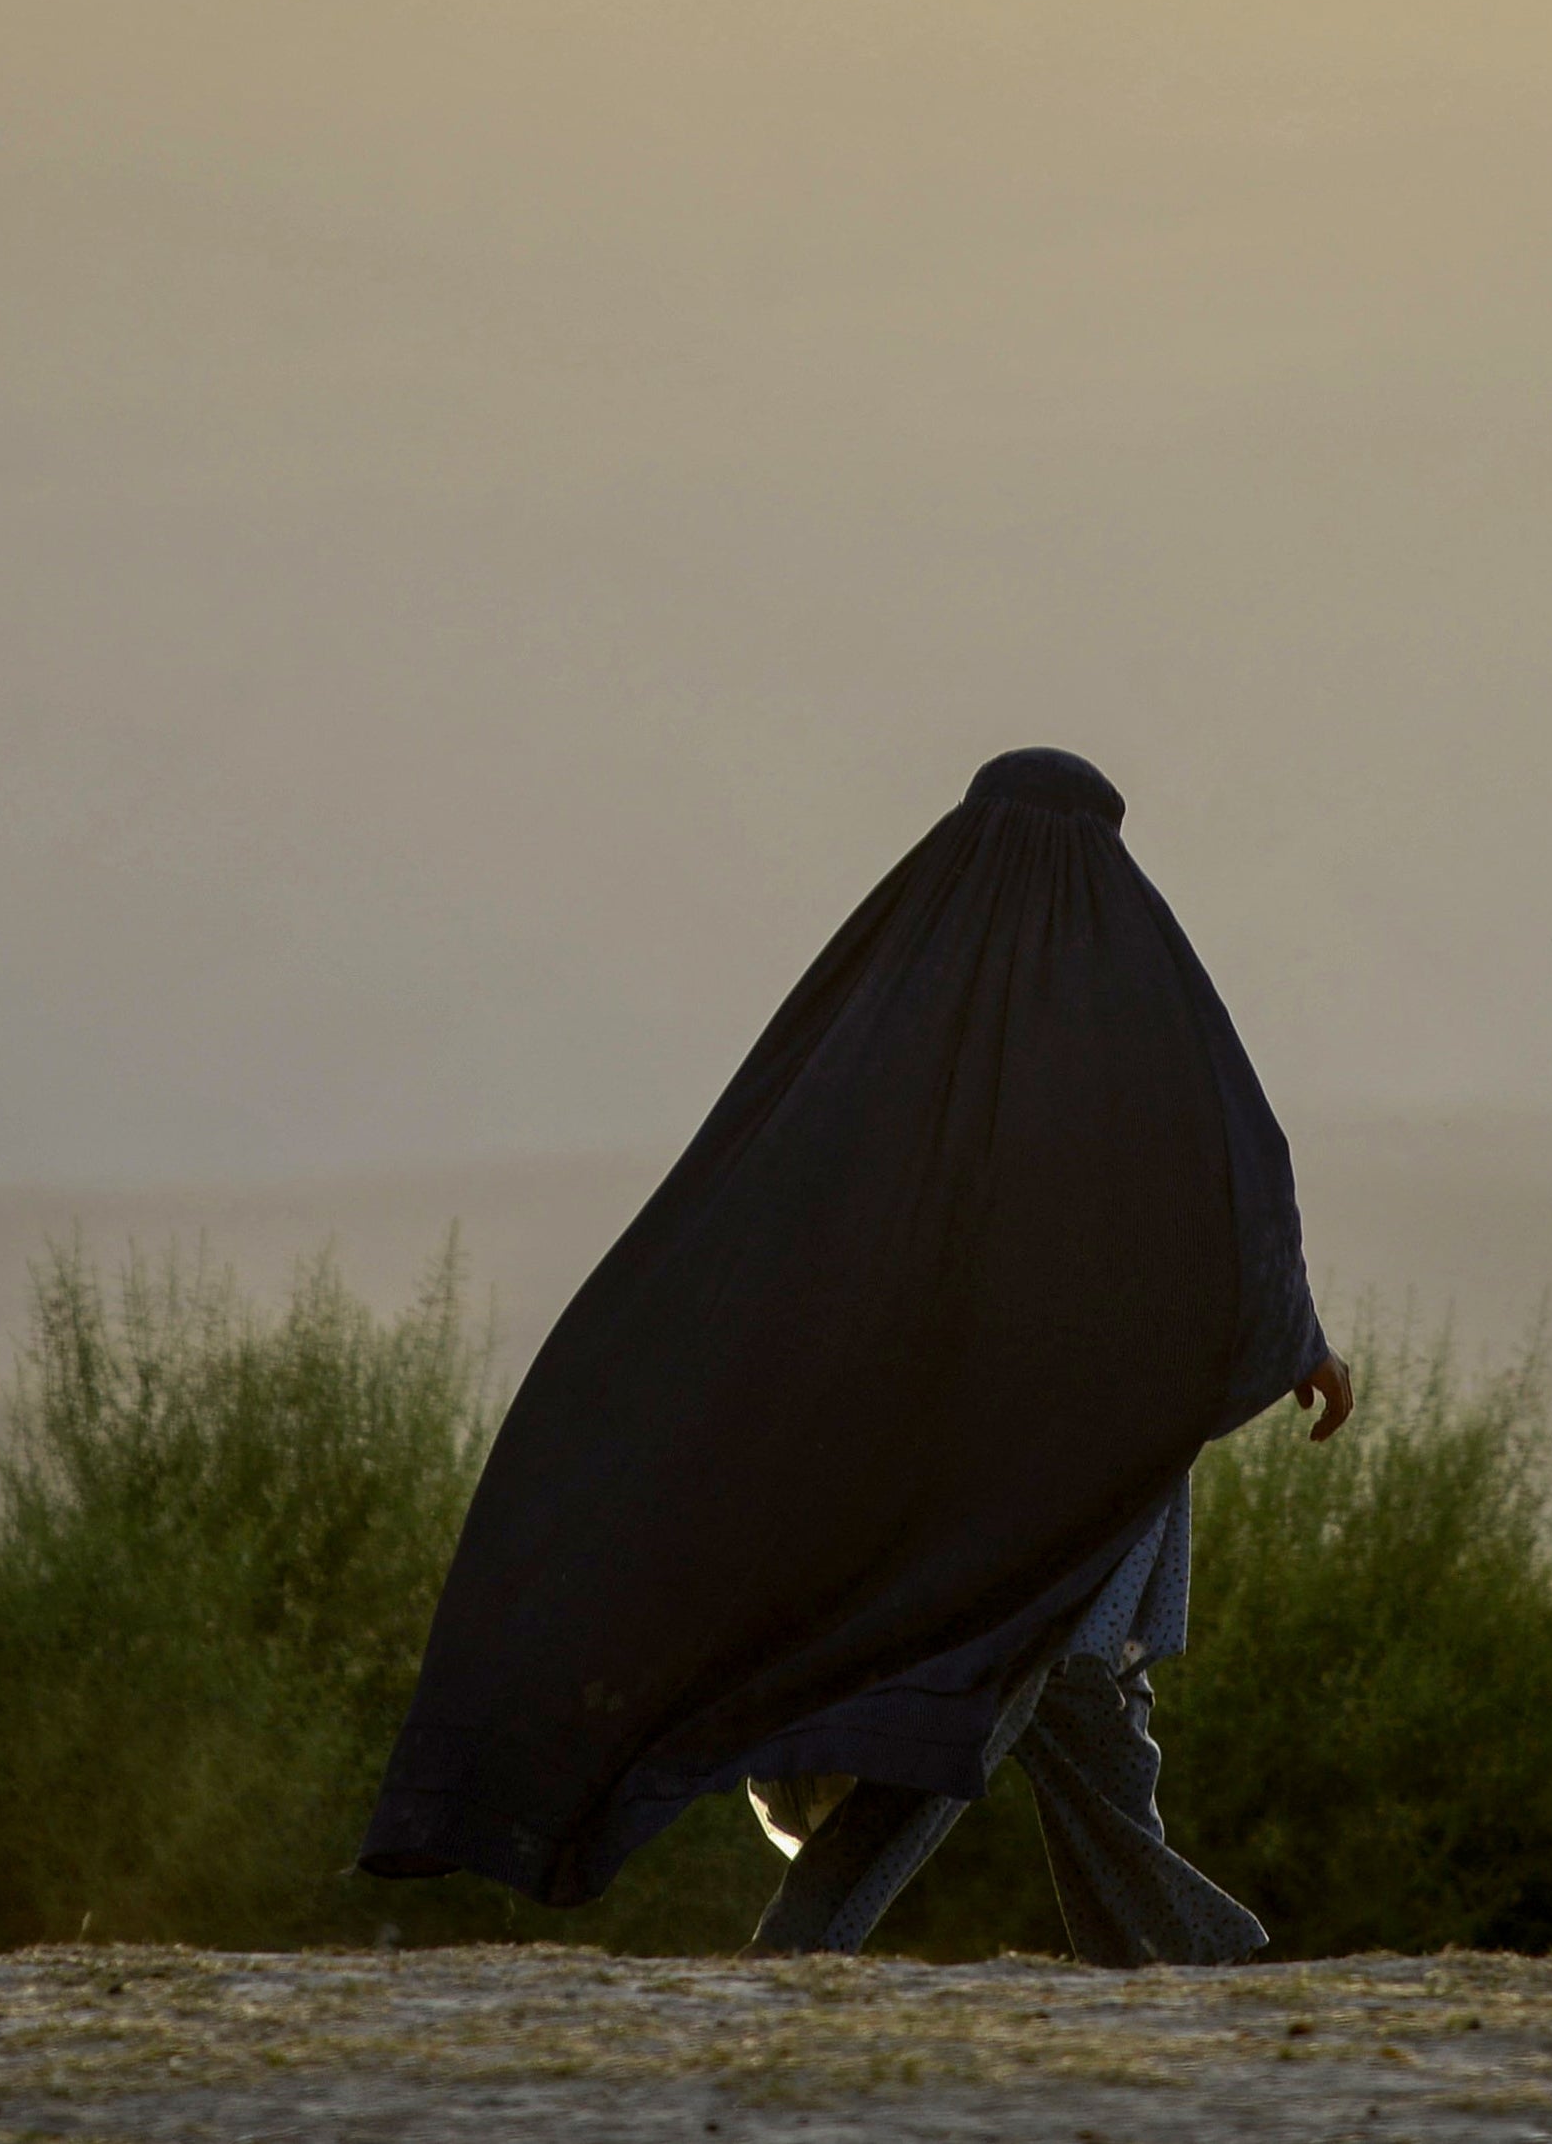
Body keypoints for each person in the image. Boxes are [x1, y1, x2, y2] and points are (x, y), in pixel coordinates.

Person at [358, 747, 1353, 1962]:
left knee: (1074, 1697)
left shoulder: (902, 997)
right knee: (990, 1694)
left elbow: (795, 1203)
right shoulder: (1134, 993)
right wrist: (1292, 1336)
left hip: (1000, 1462)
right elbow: (1233, 1186)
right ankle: (820, 1943)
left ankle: (1192, 1955)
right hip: (1077, 1451)